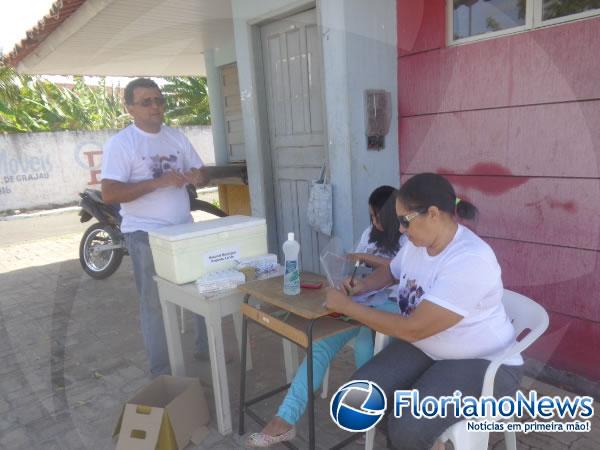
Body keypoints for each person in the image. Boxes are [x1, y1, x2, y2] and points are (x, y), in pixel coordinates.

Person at [325, 173, 523, 450]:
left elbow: (412, 328)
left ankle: (417, 438)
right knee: (359, 398)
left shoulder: (469, 259)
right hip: (428, 348)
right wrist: (364, 285)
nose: (401, 230)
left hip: (484, 363)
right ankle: (431, 444)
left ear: (432, 214)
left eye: (404, 221)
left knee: (408, 425)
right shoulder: (417, 246)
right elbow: (393, 272)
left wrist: (347, 307)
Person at [245, 186, 402, 447]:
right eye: (371, 216)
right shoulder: (370, 234)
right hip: (361, 299)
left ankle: (368, 413)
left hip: (394, 306)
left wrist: (363, 258)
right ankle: (284, 419)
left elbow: (399, 269)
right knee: (320, 343)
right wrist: (346, 280)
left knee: (365, 341)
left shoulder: (409, 238)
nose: (373, 222)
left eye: (378, 217)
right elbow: (356, 268)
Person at [101, 78, 211, 377]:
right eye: (146, 102)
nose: (155, 107)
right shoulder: (122, 144)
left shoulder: (176, 137)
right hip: (145, 235)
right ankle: (162, 371)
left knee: (200, 290)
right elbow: (110, 193)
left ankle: (205, 348)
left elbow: (201, 170)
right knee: (154, 303)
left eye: (159, 100)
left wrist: (197, 176)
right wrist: (158, 182)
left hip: (184, 229)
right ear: (130, 108)